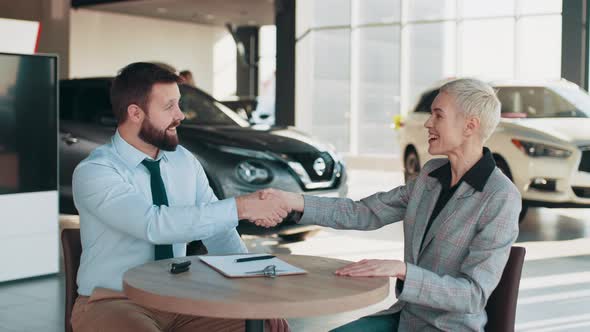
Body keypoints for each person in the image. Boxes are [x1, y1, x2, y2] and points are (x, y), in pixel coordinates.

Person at [259, 78, 521, 331]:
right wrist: (291, 200)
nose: (428, 123)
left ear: (470, 126)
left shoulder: (500, 196)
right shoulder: (431, 175)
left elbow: (472, 296)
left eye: (438, 115)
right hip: (405, 318)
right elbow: (364, 212)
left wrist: (404, 270)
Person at [71, 62, 290, 332]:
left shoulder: (184, 161)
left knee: (263, 326)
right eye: (169, 107)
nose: (181, 115)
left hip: (179, 300)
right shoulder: (96, 171)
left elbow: (220, 233)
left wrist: (255, 293)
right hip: (113, 301)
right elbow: (153, 225)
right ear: (135, 113)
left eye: (179, 104)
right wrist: (241, 207)